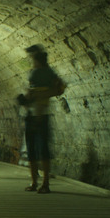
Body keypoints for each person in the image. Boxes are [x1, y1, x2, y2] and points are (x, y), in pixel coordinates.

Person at [20, 44, 66, 194]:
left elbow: (59, 87)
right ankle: (37, 182)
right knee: (34, 149)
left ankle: (42, 182)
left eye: (32, 57)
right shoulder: (37, 72)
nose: (30, 60)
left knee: (40, 149)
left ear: (37, 59)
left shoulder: (46, 73)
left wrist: (41, 94)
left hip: (39, 115)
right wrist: (27, 98)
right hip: (33, 114)